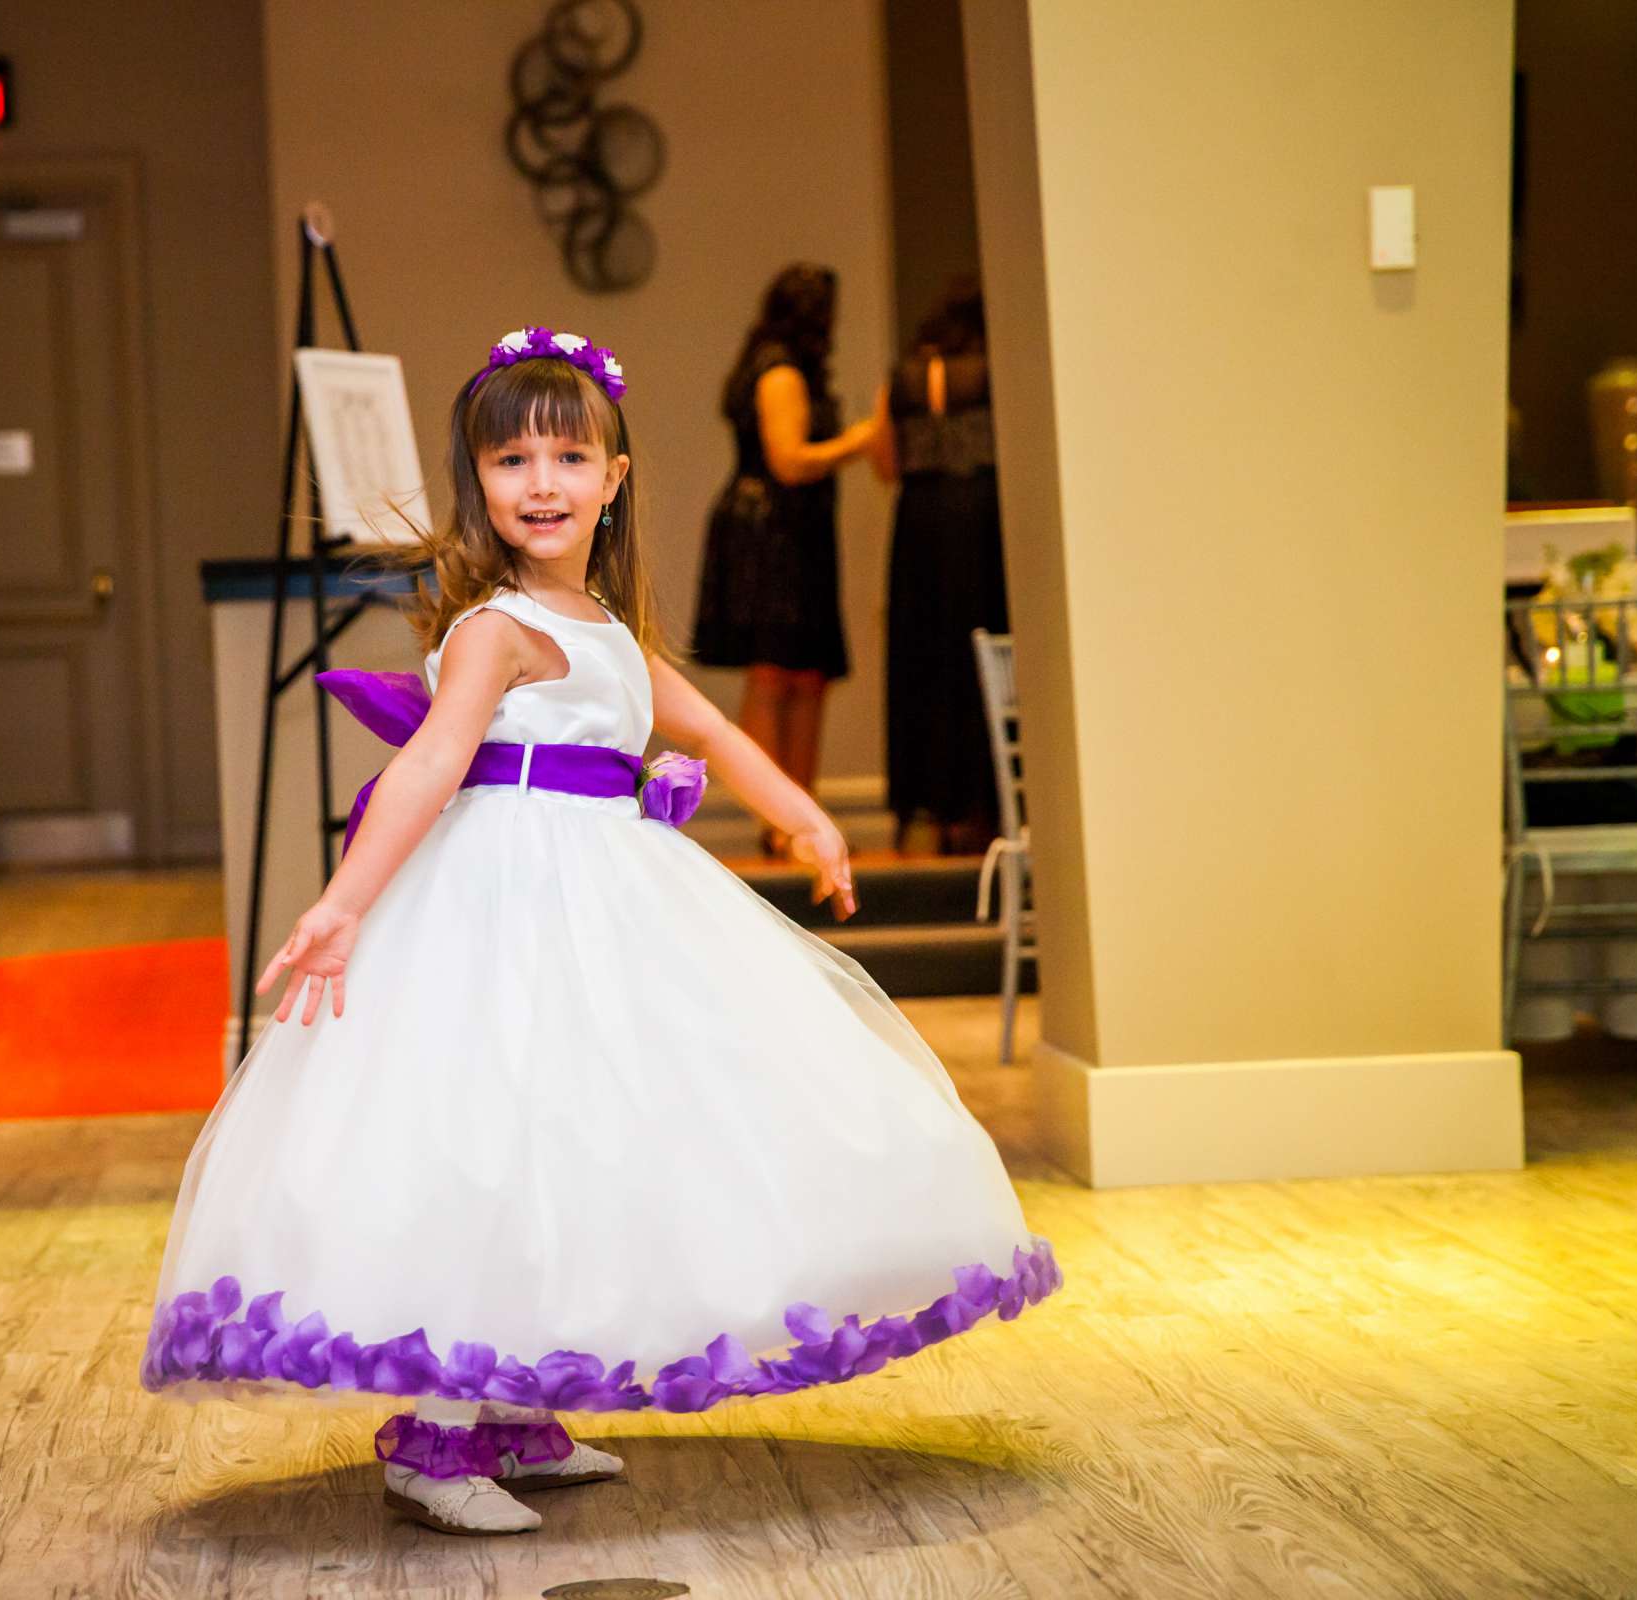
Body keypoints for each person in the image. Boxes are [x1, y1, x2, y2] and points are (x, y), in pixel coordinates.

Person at [139, 327, 1059, 1537]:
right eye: (513, 459)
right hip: (502, 903)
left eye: (570, 456)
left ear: (614, 479)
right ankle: (434, 1431)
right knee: (492, 1135)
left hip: (613, 898)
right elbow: (430, 763)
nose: (543, 482)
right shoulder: (494, 628)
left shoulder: (613, 631)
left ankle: (522, 1401)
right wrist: (343, 901)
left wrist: (803, 820)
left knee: (588, 1140)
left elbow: (713, 734)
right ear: (480, 480)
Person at [692, 265, 876, 855]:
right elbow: (789, 461)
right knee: (774, 673)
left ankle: (797, 812)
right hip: (772, 532)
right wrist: (863, 439)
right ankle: (779, 818)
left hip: (794, 532)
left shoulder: (775, 366)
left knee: (807, 674)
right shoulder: (779, 373)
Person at [869, 277, 1008, 855]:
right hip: (979, 518)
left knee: (920, 657)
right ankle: (981, 805)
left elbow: (884, 461)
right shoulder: (992, 371)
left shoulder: (902, 378)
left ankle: (922, 808)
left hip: (919, 522)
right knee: (977, 655)